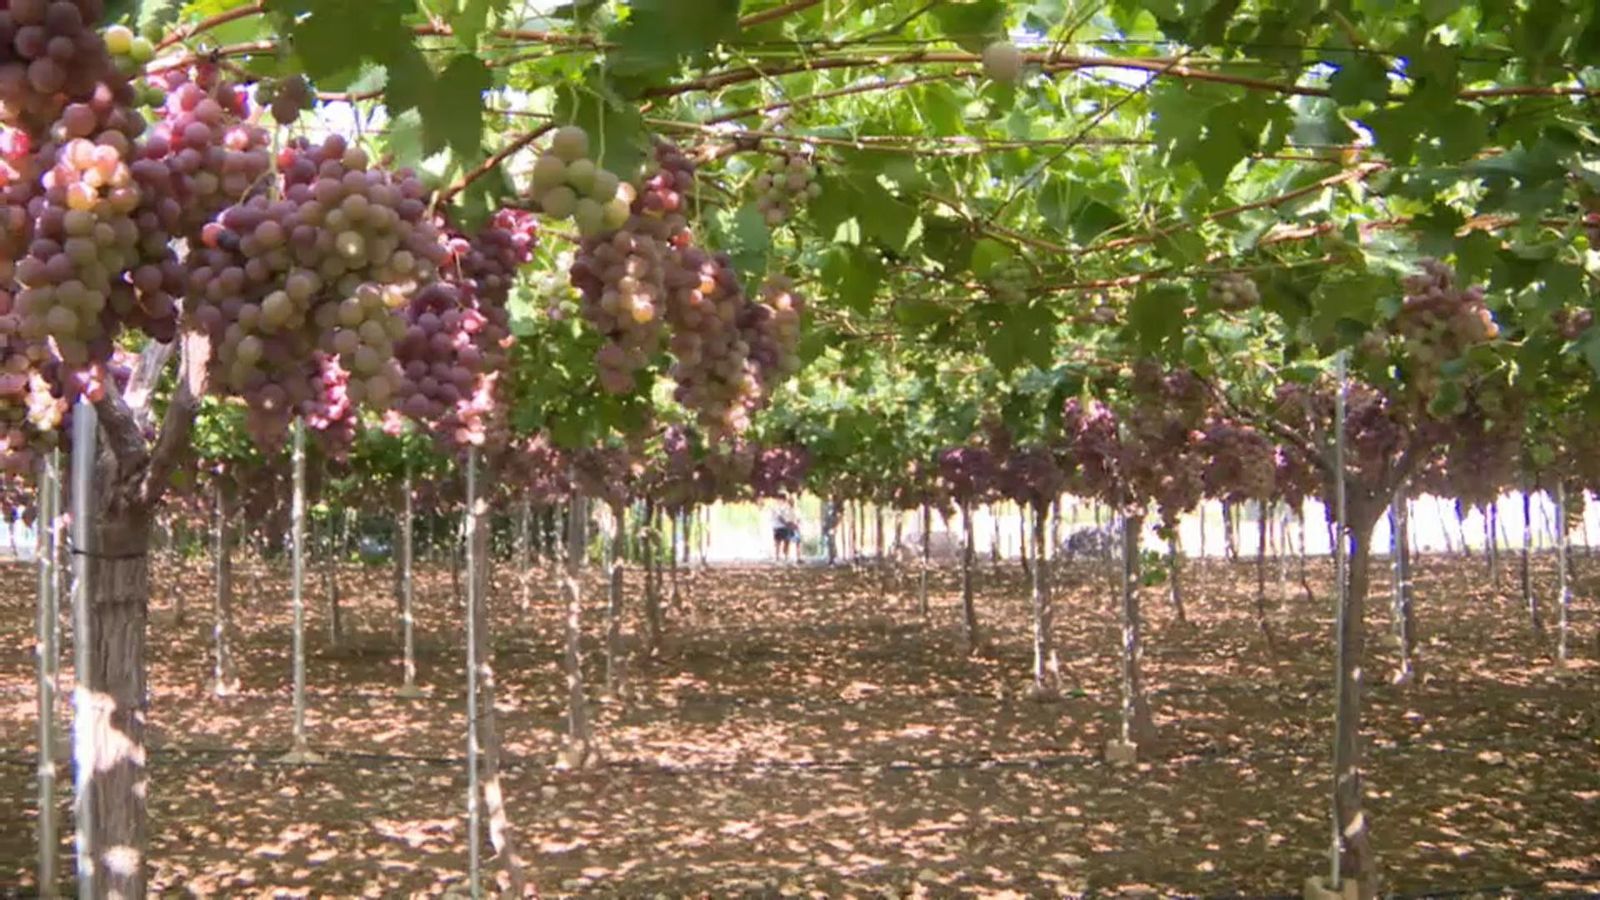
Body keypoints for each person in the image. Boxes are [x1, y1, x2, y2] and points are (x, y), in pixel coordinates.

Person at [770, 495, 800, 562]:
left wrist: (789, 523)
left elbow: (787, 516)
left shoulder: (785, 507)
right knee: (778, 542)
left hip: (783, 527)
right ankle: (778, 557)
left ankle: (785, 556)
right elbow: (780, 517)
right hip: (778, 526)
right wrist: (786, 523)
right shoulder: (776, 507)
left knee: (786, 542)